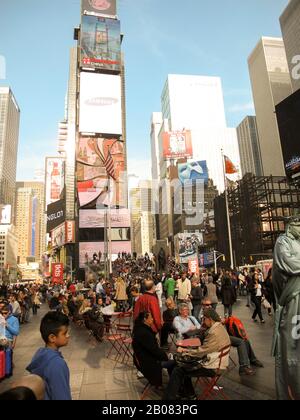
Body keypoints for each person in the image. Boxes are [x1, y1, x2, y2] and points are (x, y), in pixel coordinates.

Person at [164, 308, 231, 400]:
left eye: (204, 319)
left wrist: (185, 351)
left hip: (213, 366)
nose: (203, 321)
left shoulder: (214, 332)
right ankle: (189, 394)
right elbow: (204, 349)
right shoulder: (219, 327)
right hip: (214, 360)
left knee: (178, 370)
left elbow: (202, 352)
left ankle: (169, 398)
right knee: (181, 365)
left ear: (209, 319)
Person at [272, 215, 300, 400]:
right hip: (292, 299)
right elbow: (288, 264)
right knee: (290, 348)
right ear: (290, 226)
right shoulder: (282, 241)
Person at [26, 311, 72, 400]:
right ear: (52, 338)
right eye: (65, 333)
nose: (68, 335)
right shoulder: (57, 364)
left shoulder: (40, 354)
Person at [132, 312, 175, 388]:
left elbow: (153, 349)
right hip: (149, 362)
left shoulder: (139, 329)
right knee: (175, 363)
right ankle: (174, 386)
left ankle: (173, 384)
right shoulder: (144, 333)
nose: (152, 319)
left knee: (171, 360)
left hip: (145, 358)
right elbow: (154, 350)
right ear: (145, 319)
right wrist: (166, 356)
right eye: (151, 318)